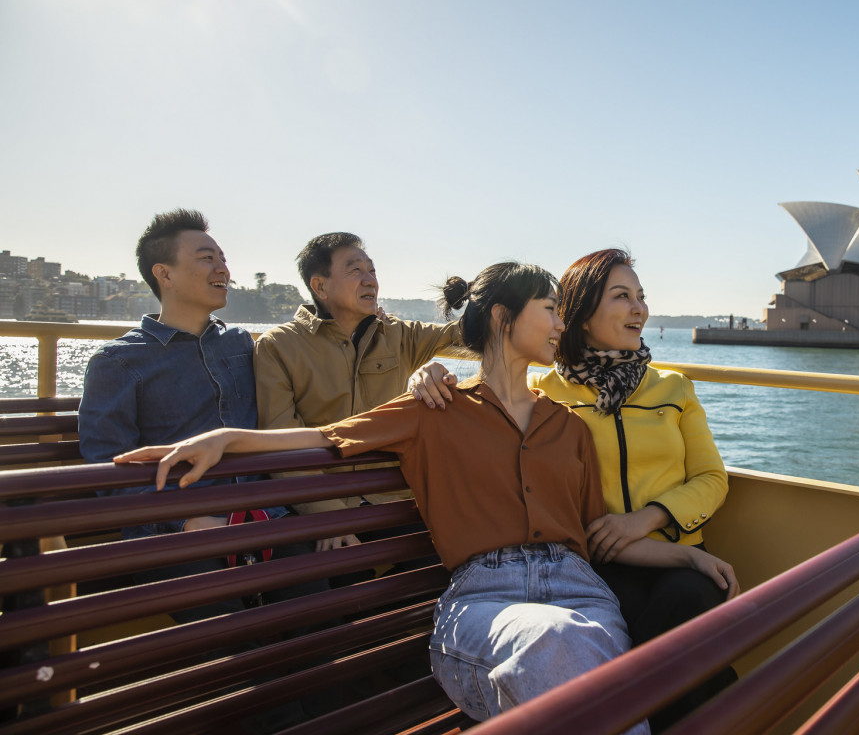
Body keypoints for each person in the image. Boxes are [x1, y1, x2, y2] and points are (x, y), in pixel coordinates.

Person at [117, 261, 737, 731]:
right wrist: (225, 437)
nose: (559, 323)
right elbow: (323, 437)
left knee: (575, 650)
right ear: (502, 318)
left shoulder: (567, 426)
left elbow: (600, 531)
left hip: (581, 595)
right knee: (563, 649)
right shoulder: (433, 411)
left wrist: (685, 555)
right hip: (485, 606)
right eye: (548, 309)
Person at [411, 249, 736, 727]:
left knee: (690, 598)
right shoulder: (546, 394)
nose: (639, 309)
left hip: (671, 552)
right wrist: (428, 372)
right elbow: (486, 388)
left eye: (641, 297)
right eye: (622, 296)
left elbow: (711, 478)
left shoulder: (673, 387)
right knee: (630, 626)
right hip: (595, 566)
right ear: (580, 314)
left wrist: (646, 519)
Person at [78, 209, 325, 620]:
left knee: (321, 622)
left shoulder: (242, 343)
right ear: (165, 274)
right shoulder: (120, 361)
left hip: (264, 520)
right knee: (225, 645)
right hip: (178, 537)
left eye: (223, 258)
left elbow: (312, 364)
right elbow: (108, 465)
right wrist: (183, 523)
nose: (222, 268)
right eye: (207, 257)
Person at [252, 232, 464, 551]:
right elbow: (282, 447)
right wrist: (330, 516)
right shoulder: (278, 346)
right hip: (320, 508)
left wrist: (485, 295)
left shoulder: (396, 334)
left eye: (372, 270)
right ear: (320, 286)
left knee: (453, 560)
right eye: (355, 271)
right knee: (323, 583)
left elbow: (462, 336)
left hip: (395, 502)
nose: (370, 281)